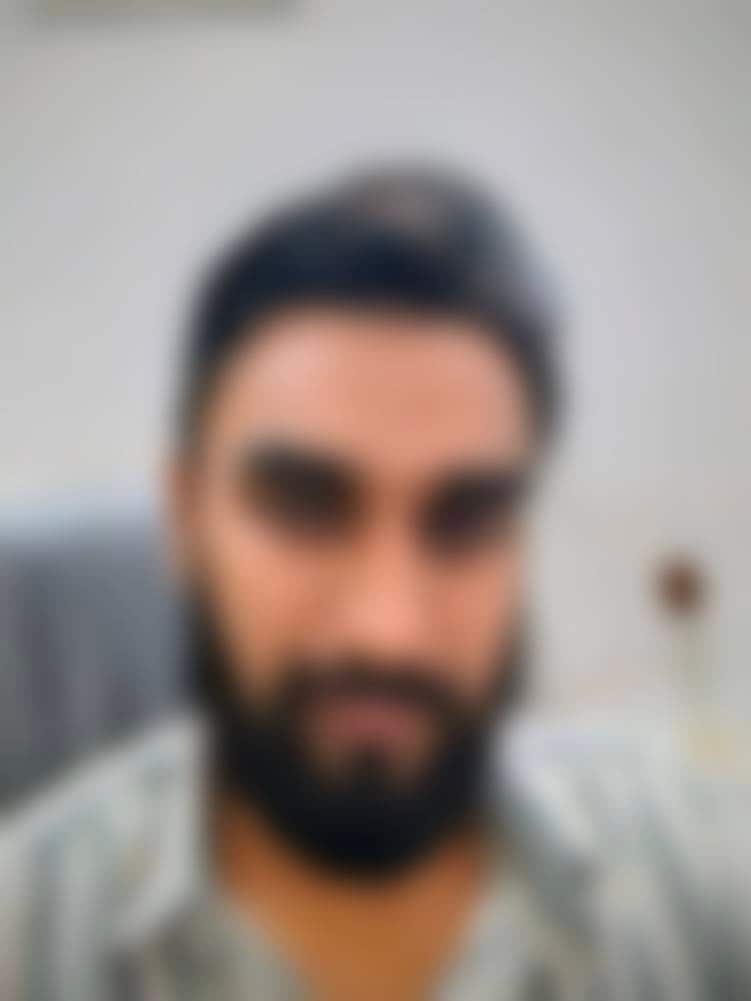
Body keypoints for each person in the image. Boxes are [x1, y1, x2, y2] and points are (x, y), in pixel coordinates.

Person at [1, 166, 744, 1001]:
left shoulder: (705, 901)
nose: (386, 628)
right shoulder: (26, 938)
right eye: (303, 508)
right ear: (185, 517)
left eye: (464, 519)